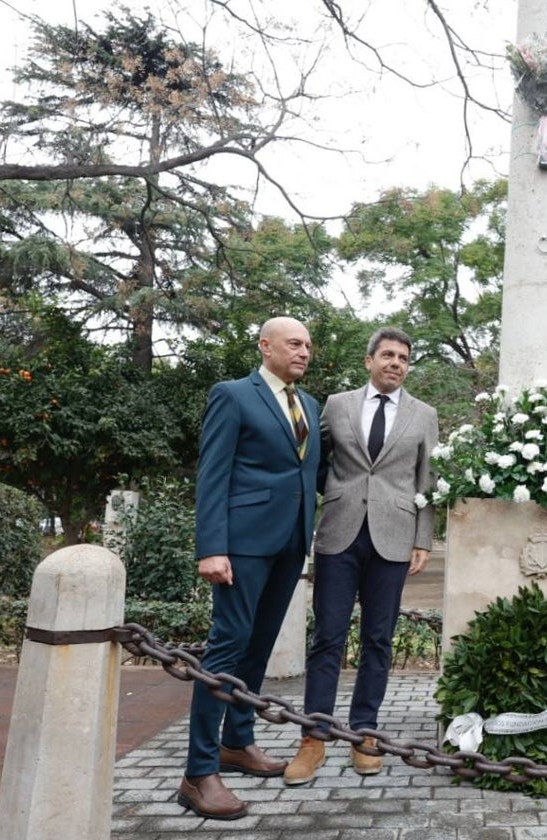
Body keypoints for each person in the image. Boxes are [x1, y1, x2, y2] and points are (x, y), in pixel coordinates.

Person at [178, 316, 320, 820]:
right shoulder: (233, 394)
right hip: (241, 545)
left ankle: (237, 743)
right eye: (293, 344)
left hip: (290, 543)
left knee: (258, 647)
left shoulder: (309, 404)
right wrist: (211, 546)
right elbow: (212, 474)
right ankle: (198, 772)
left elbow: (308, 473)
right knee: (226, 647)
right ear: (265, 346)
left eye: (307, 345)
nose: (304, 352)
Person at [284, 326, 439, 784]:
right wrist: (336, 494)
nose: (395, 363)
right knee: (328, 637)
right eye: (388, 355)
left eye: (404, 358)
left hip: (394, 537)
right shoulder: (337, 405)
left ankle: (364, 732)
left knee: (378, 639)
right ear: (369, 360)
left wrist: (423, 539)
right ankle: (313, 737)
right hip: (339, 532)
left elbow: (427, 481)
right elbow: (315, 460)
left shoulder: (423, 415)